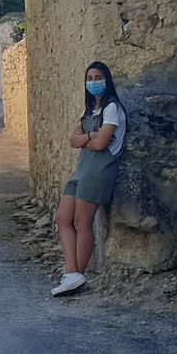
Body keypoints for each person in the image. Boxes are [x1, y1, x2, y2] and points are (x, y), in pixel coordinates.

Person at [52, 62, 126, 296]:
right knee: (62, 217)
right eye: (90, 78)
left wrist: (87, 138)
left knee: (82, 222)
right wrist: (91, 135)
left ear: (107, 80)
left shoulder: (112, 109)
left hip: (99, 171)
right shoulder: (88, 111)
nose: (94, 82)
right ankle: (71, 273)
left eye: (98, 77)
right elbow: (73, 141)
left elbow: (102, 144)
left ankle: (77, 274)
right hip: (82, 170)